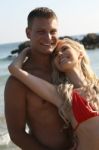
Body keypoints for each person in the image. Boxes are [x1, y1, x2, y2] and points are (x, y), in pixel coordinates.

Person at [8, 38, 99, 150]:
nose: (60, 54)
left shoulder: (97, 85)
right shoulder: (62, 95)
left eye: (64, 49)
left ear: (80, 53)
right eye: (55, 54)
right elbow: (14, 69)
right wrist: (27, 50)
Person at [4, 7, 73, 150]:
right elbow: (16, 133)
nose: (49, 37)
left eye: (53, 31)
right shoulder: (18, 82)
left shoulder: (67, 68)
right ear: (28, 33)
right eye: (41, 31)